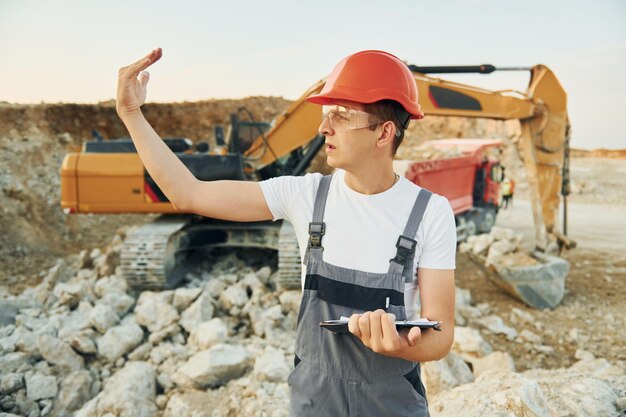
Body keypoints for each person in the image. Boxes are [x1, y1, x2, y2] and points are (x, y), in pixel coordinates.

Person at [116, 48, 456, 417]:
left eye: (340, 116)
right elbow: (189, 193)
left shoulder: (430, 212)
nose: (323, 128)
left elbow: (441, 334)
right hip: (314, 401)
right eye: (326, 115)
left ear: (384, 132)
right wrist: (131, 115)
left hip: (392, 405)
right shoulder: (305, 195)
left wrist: (398, 345)